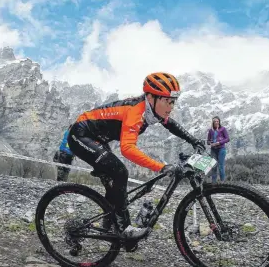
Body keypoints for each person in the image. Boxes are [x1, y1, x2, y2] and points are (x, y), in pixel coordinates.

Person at [67, 72, 205, 250]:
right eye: (167, 101)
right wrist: (162, 167)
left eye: (173, 102)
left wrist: (193, 140)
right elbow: (128, 149)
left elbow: (170, 124)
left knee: (113, 186)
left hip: (98, 138)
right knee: (120, 172)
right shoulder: (135, 111)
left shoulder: (152, 109)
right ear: (150, 97)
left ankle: (109, 229)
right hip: (80, 134)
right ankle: (125, 230)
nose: (171, 106)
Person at [207, 116, 229, 183]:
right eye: (215, 121)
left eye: (217, 121)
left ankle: (222, 182)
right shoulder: (211, 130)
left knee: (220, 166)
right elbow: (208, 141)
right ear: (212, 123)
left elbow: (227, 139)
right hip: (213, 150)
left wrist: (219, 143)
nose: (216, 122)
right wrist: (210, 143)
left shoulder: (223, 129)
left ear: (219, 122)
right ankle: (213, 183)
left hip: (221, 149)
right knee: (213, 166)